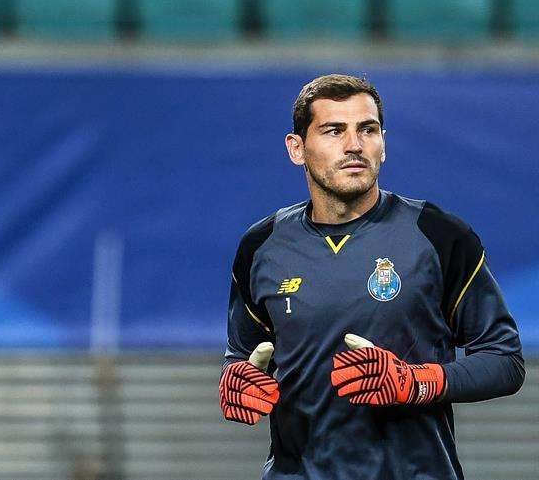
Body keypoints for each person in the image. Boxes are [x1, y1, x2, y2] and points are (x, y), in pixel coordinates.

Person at [218, 74, 524, 480]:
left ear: (383, 143)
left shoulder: (440, 236)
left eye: (368, 129)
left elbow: (505, 361)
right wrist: (237, 381)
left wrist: (414, 382)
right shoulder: (261, 246)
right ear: (297, 148)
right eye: (334, 131)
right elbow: (243, 355)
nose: (355, 145)